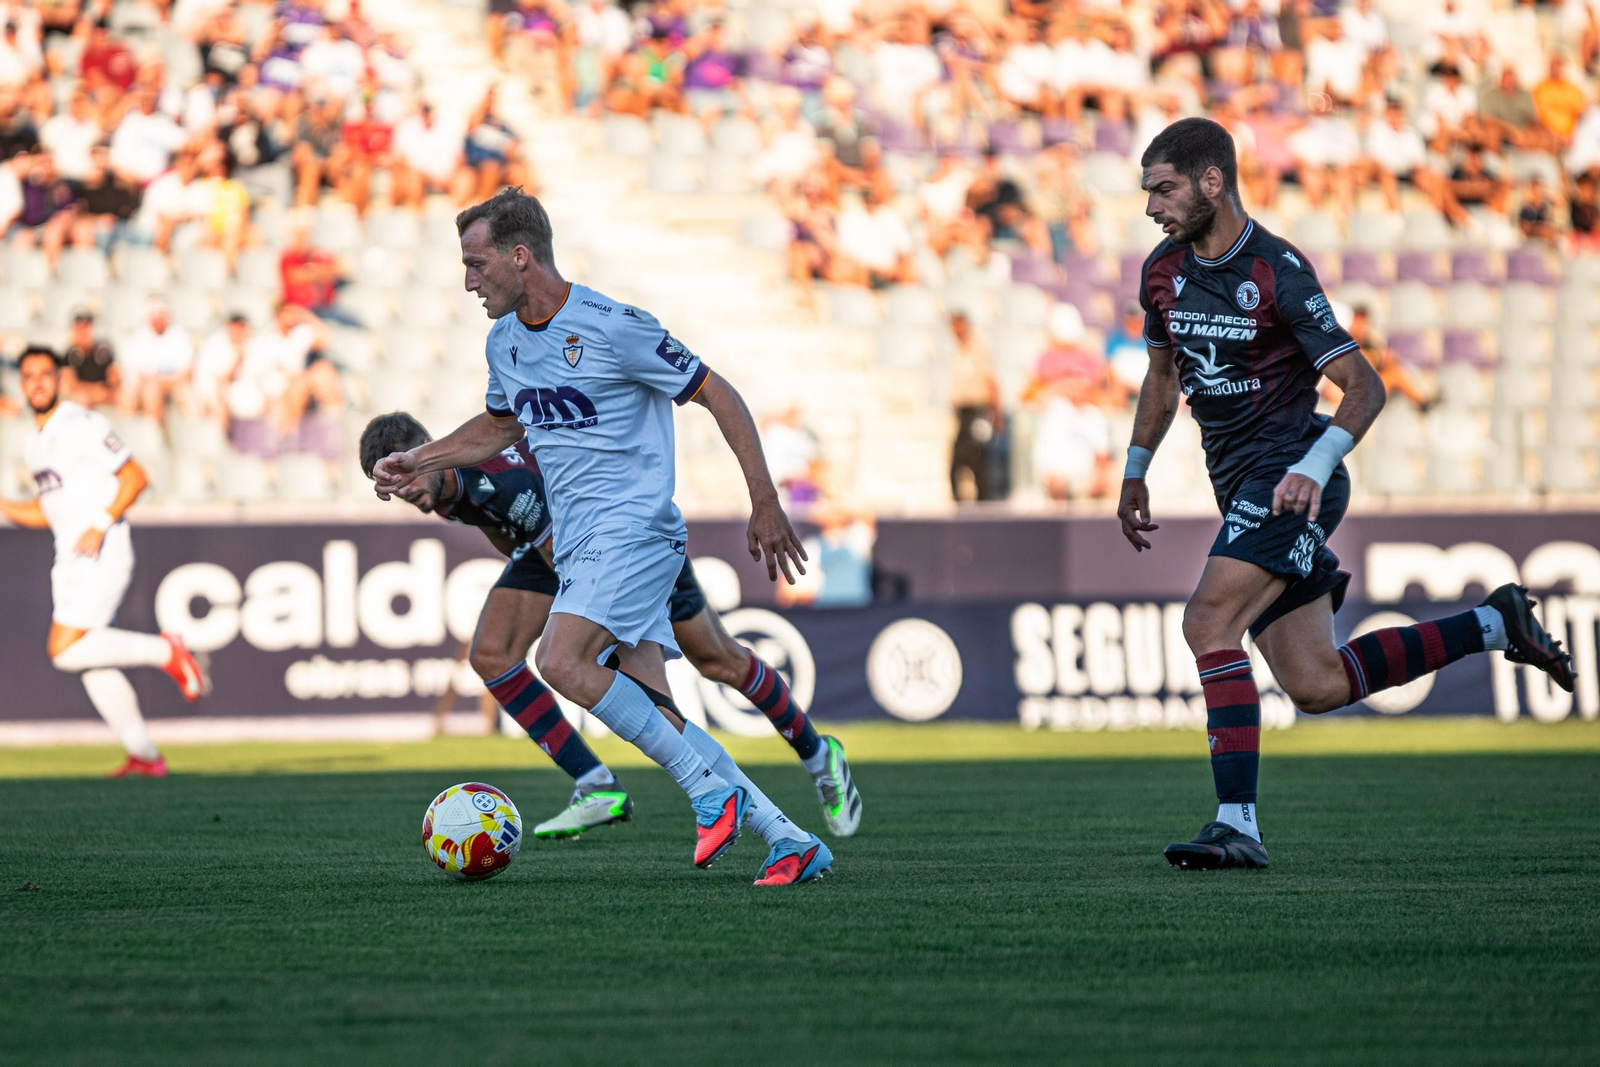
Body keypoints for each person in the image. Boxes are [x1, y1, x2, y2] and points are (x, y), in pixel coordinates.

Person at [1124, 118, 1575, 870]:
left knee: (1207, 620)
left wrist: (1317, 462)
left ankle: (1237, 824)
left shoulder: (1278, 270)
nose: (1151, 207)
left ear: (1213, 181)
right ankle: (1494, 625)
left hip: (1293, 475)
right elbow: (1163, 378)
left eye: (1164, 189)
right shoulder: (1162, 272)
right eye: (1147, 192)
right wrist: (1136, 465)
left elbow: (1364, 388)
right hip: (1243, 481)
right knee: (1317, 683)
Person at [373, 188, 833, 887]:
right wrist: (424, 458)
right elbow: (501, 427)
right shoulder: (504, 343)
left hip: (634, 529)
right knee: (656, 710)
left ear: (520, 256)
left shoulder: (615, 327)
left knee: (560, 660)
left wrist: (763, 499)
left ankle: (713, 794)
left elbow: (719, 392)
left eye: (477, 263)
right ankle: (789, 839)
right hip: (583, 542)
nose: (468, 280)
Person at [360, 411, 862, 840]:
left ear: (422, 451)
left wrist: (598, 633)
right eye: (389, 487)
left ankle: (820, 759)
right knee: (492, 653)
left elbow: (548, 536)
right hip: (555, 547)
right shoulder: (446, 489)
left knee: (716, 661)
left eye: (401, 477)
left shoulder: (498, 480)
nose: (403, 491)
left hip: (623, 543)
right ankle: (595, 784)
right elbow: (510, 533)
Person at [0, 346, 206, 778]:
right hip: (70, 557)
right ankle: (146, 757)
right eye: (28, 375)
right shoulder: (35, 442)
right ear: (21, 384)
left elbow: (136, 477)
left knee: (64, 649)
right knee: (91, 662)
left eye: (44, 373)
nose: (36, 381)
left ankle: (165, 650)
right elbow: (46, 512)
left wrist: (99, 523)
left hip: (102, 549)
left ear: (59, 379)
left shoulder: (79, 423)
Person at [947, 309, 1001, 502]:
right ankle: (962, 503)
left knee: (977, 460)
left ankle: (982, 504)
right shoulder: (959, 350)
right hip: (962, 414)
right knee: (959, 463)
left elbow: (992, 382)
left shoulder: (978, 349)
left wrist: (996, 414)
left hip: (977, 412)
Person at [61, 310, 119, 409]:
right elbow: (69, 385)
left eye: (86, 328)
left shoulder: (103, 350)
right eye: (80, 329)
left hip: (105, 395)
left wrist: (105, 391)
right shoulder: (69, 354)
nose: (84, 333)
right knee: (80, 398)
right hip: (84, 396)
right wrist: (95, 390)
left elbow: (115, 379)